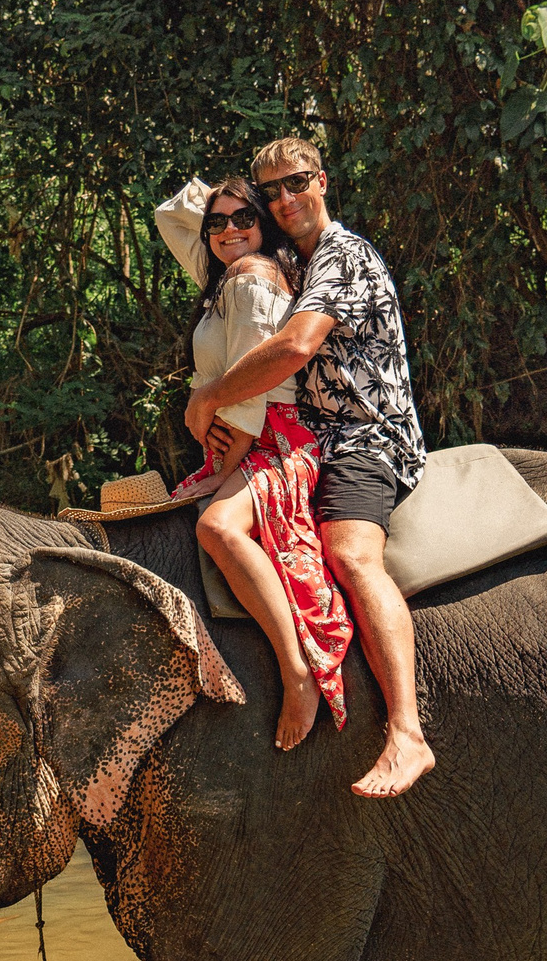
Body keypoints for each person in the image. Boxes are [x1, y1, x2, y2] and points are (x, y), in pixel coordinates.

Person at [185, 137, 435, 797]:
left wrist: (210, 395)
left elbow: (296, 345)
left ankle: (407, 732)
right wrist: (229, 212)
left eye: (295, 183)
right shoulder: (287, 259)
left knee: (350, 553)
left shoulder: (340, 255)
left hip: (362, 437)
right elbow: (185, 220)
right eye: (271, 193)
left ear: (322, 181)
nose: (283, 200)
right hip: (315, 435)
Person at [153, 176, 353, 751]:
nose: (228, 231)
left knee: (217, 526)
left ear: (264, 226)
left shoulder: (250, 281)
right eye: (216, 224)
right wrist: (218, 201)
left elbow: (252, 389)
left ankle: (296, 671)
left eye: (244, 219)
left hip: (272, 436)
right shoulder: (223, 277)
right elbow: (172, 216)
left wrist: (224, 466)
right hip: (240, 438)